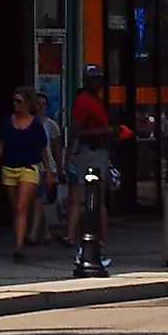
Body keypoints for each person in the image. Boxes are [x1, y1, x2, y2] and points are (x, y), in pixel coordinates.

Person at [0, 86, 46, 263]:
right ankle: (22, 235)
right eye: (14, 101)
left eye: (19, 101)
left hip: (29, 167)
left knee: (21, 206)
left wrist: (51, 172)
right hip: (9, 168)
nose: (16, 104)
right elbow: (1, 145)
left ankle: (19, 246)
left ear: (28, 103)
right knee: (16, 207)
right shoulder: (7, 122)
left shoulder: (36, 126)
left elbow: (43, 150)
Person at [66, 67, 114, 249]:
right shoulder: (83, 101)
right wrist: (103, 131)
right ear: (86, 81)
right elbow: (75, 131)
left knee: (97, 197)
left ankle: (100, 238)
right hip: (89, 151)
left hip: (100, 151)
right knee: (87, 195)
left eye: (99, 79)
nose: (98, 83)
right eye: (93, 79)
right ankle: (80, 236)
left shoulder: (97, 101)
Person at [28, 90, 63, 245]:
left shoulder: (51, 125)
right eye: (38, 104)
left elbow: (56, 149)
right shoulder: (29, 122)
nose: (41, 107)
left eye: (44, 104)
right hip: (30, 163)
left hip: (46, 165)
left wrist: (59, 169)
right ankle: (45, 231)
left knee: (38, 198)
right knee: (35, 200)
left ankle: (35, 232)